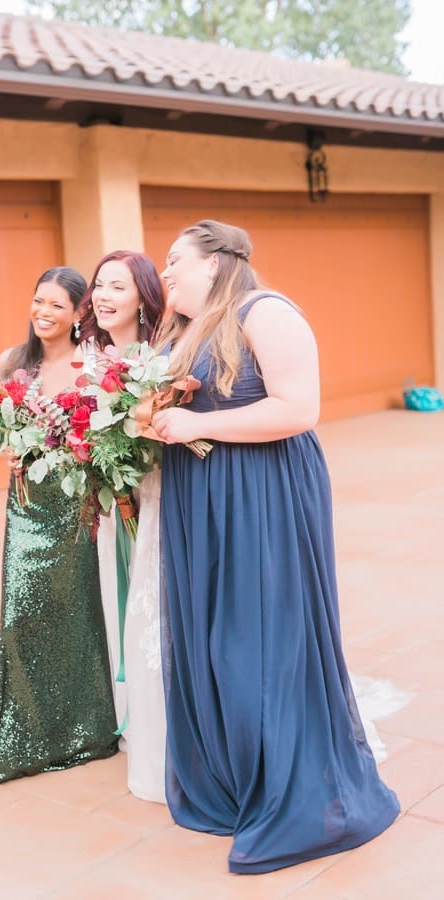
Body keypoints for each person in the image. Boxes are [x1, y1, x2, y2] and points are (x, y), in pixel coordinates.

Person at [151, 220, 400, 871]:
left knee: (259, 634)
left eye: (176, 260)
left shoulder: (266, 310)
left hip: (262, 495)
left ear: (217, 261)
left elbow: (300, 407)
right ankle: (235, 778)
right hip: (200, 499)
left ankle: (298, 784)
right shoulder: (189, 330)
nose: (166, 271)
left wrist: (197, 423)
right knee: (211, 636)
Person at [0, 267, 118, 792]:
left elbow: (101, 431)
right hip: (26, 504)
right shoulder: (12, 361)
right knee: (21, 614)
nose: (43, 312)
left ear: (77, 315)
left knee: (75, 611)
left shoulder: (90, 363)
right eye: (38, 300)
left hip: (74, 505)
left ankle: (84, 727)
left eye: (56, 305)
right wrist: (5, 441)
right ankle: (22, 725)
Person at [77, 251, 167, 802]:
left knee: (151, 604)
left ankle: (164, 715)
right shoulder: (89, 357)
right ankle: (130, 717)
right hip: (112, 505)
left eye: (118, 286)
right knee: (118, 599)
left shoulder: (159, 357)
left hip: (154, 498)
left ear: (144, 296)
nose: (104, 296)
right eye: (99, 285)